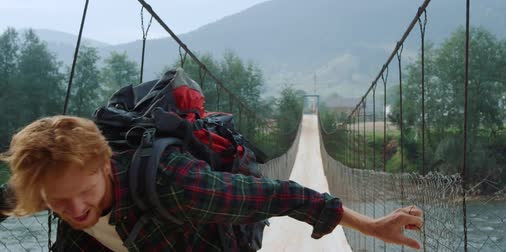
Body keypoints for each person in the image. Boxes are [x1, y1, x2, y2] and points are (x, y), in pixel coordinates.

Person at [0, 115, 423, 251]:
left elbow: (280, 194)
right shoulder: (50, 187)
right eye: (58, 203)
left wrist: (371, 227)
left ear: (106, 165)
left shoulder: (177, 184)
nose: (75, 210)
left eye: (85, 193)